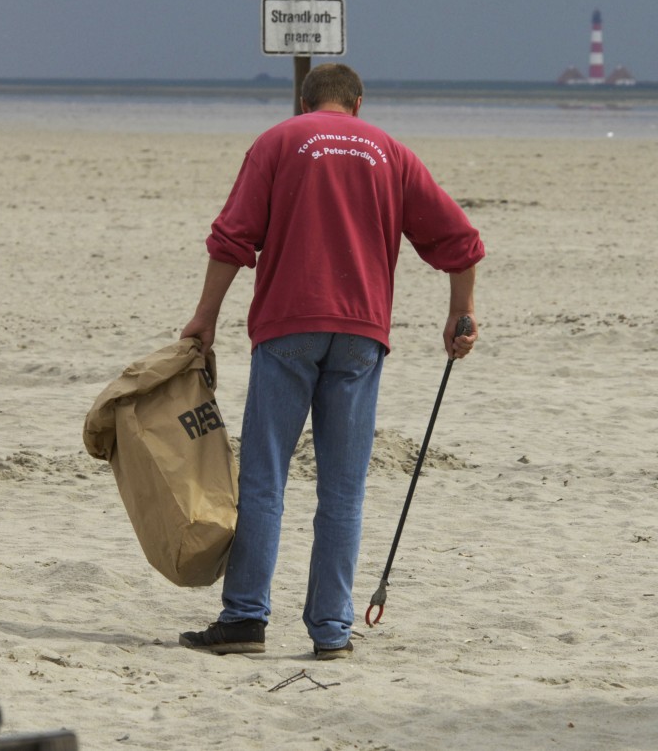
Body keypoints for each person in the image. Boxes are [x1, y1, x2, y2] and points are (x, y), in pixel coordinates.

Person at [177, 63, 485, 660]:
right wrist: (460, 312)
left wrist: (205, 317)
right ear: (359, 103)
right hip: (360, 334)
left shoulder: (278, 141)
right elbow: (461, 241)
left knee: (266, 479)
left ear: (304, 102)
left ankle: (244, 619)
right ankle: (331, 630)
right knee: (343, 490)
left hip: (287, 327)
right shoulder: (390, 151)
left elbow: (232, 239)